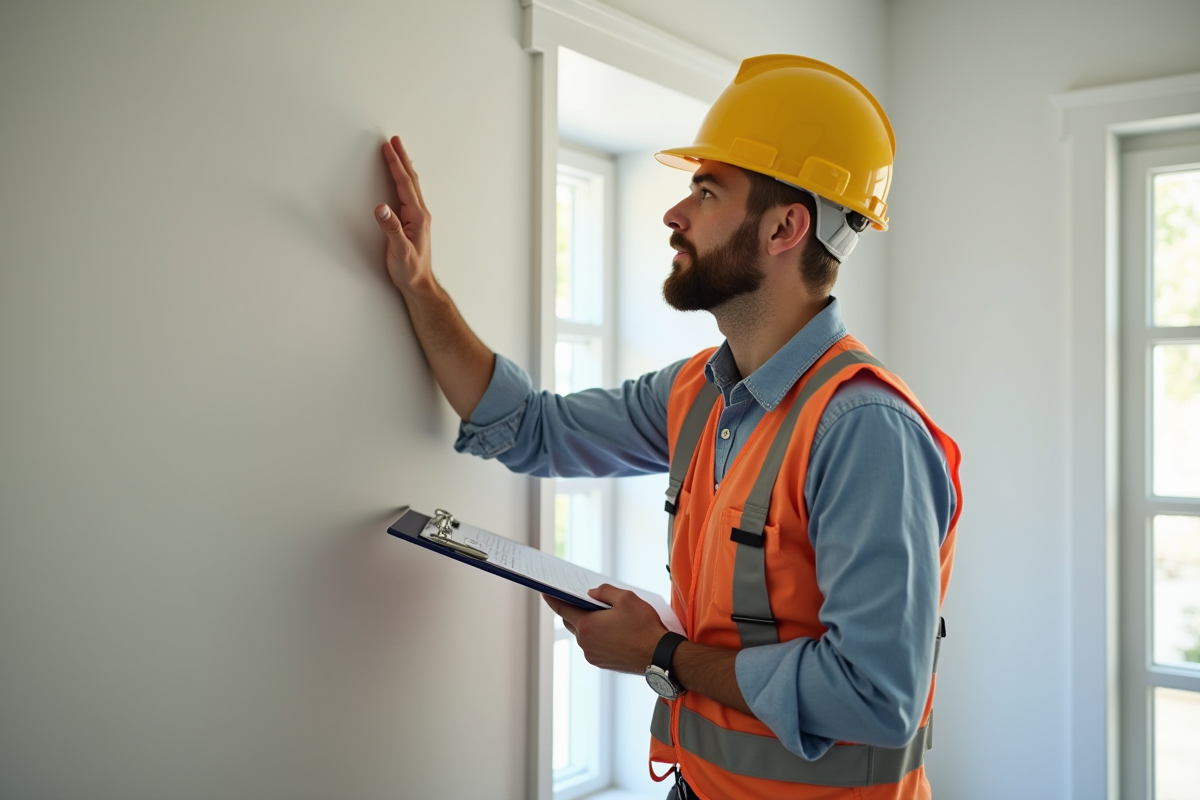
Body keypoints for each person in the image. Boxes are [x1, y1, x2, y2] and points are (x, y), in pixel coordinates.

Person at [374, 54, 962, 800]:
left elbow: (877, 696)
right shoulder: (699, 393)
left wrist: (660, 652)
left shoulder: (862, 429)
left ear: (785, 227)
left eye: (707, 191)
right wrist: (422, 287)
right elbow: (529, 427)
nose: (674, 214)